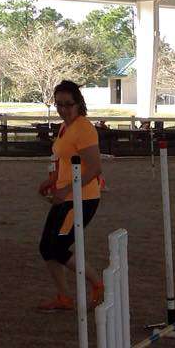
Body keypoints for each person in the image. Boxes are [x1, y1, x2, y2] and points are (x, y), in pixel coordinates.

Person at [37, 80, 104, 312]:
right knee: (46, 247)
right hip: (65, 196)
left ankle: (97, 284)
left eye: (68, 104)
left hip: (82, 198)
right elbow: (66, 162)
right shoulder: (65, 128)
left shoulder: (84, 128)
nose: (63, 108)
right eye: (59, 104)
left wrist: (66, 190)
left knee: (57, 246)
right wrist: (52, 181)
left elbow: (95, 168)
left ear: (78, 103)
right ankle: (64, 297)